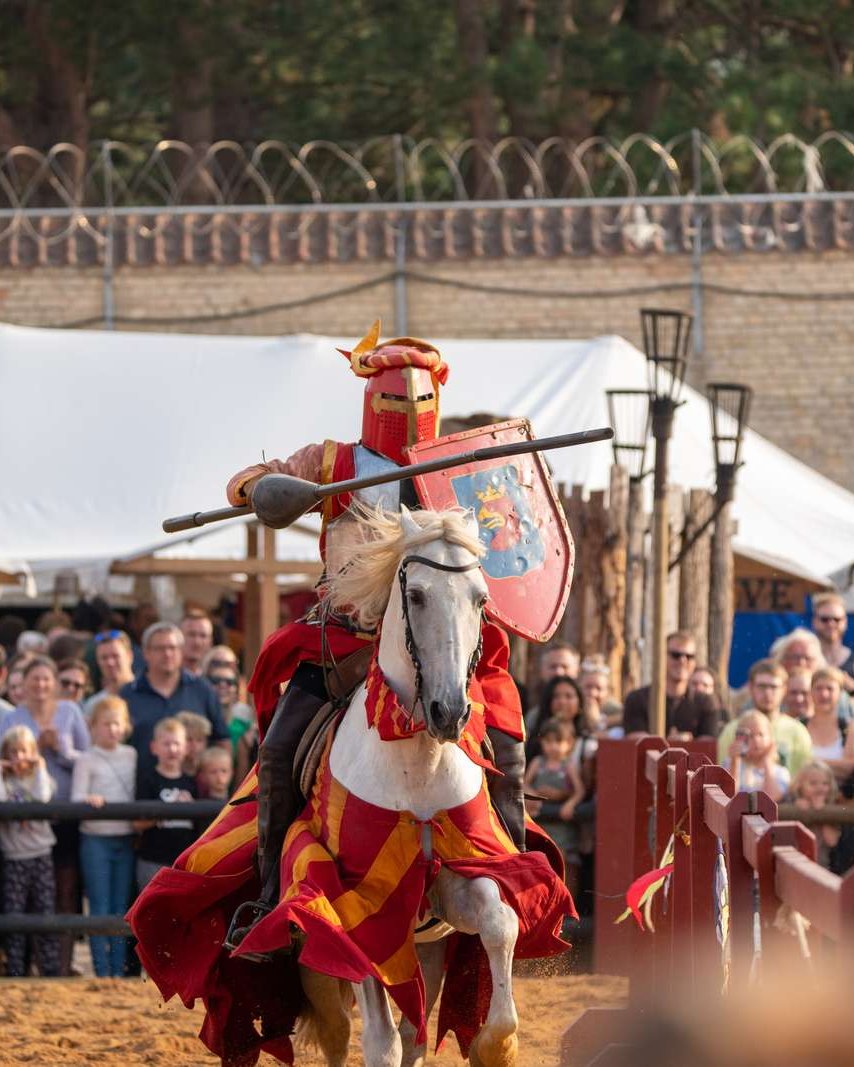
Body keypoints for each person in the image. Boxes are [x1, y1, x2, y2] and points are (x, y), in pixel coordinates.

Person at [222, 324, 528, 942]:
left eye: (418, 400)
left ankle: (513, 874)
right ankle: (267, 903)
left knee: (511, 747)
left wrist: (499, 516)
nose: (407, 413)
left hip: (443, 640)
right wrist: (263, 488)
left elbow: (512, 545)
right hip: (345, 642)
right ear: (370, 399)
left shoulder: (465, 467)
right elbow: (249, 480)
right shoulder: (333, 463)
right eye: (393, 400)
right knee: (279, 756)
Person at [1, 654, 90, 974]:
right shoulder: (11, 718)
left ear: (54, 683)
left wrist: (59, 751)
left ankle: (59, 966)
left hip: (63, 812)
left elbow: (87, 756)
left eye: (45, 679)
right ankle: (21, 966)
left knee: (63, 890)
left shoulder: (69, 711)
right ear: (21, 684)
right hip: (21, 821)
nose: (40, 684)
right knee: (20, 898)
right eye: (33, 678)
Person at [70, 695, 137, 978]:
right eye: (106, 723)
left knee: (121, 906)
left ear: (126, 726)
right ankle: (101, 969)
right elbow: (75, 797)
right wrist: (89, 799)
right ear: (93, 726)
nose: (112, 729)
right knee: (99, 905)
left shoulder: (131, 755)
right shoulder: (86, 759)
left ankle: (119, 970)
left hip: (124, 837)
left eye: (117, 723)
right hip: (95, 839)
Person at [120, 621, 229, 778]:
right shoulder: (129, 693)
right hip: (142, 793)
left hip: (195, 794)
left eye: (172, 648)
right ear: (146, 653)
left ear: (181, 651)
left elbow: (222, 741)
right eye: (160, 648)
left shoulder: (202, 689)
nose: (168, 654)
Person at [0, 725, 60, 977]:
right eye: (13, 752)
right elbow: (1, 801)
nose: (19, 758)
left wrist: (41, 767)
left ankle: (50, 971)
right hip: (14, 858)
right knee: (14, 918)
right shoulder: (6, 782)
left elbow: (43, 797)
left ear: (33, 753)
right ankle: (15, 971)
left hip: (41, 854)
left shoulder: (42, 779)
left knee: (45, 915)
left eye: (24, 751)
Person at [133, 718, 198, 891]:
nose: (172, 749)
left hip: (184, 863)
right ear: (154, 747)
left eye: (177, 743)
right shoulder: (147, 780)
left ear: (186, 747)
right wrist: (171, 810)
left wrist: (191, 809)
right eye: (166, 744)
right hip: (152, 860)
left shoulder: (192, 783)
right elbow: (137, 823)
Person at [717, 659, 812, 776]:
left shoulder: (797, 731)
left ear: (784, 690)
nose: (767, 693)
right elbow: (721, 776)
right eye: (762, 686)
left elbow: (803, 777)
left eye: (773, 687)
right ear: (751, 688)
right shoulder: (732, 730)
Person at [623, 631, 721, 738]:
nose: (682, 660)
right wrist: (670, 744)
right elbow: (635, 740)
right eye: (676, 655)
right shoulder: (637, 699)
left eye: (689, 656)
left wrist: (687, 743)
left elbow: (707, 745)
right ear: (661, 657)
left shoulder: (706, 703)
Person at [524, 719, 583, 893]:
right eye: (548, 741)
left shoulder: (568, 766)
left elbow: (579, 790)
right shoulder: (537, 763)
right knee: (540, 860)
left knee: (564, 861)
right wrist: (533, 797)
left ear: (569, 744)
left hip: (562, 825)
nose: (553, 747)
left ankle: (566, 902)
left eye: (558, 742)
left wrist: (570, 804)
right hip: (542, 823)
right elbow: (524, 783)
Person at [787, 759, 854, 872]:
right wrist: (797, 807)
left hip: (823, 867)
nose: (820, 787)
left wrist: (821, 814)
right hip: (796, 866)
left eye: (825, 783)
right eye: (813, 783)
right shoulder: (793, 804)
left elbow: (832, 841)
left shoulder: (833, 810)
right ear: (800, 786)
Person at [722, 710, 790, 801]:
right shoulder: (730, 764)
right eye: (750, 736)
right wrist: (735, 762)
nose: (756, 740)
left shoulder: (780, 772)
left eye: (761, 735)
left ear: (770, 737)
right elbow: (728, 796)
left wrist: (767, 761)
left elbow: (773, 797)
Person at [806, 667, 854, 781]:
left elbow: (850, 767)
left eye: (830, 689)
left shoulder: (849, 728)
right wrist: (837, 766)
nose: (824, 694)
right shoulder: (799, 726)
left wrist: (811, 762)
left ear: (840, 693)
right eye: (818, 688)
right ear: (810, 692)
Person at [525, 675, 584, 760]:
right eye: (556, 696)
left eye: (568, 696)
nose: (562, 701)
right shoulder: (536, 742)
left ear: (580, 703)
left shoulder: (587, 743)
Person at [204, 660, 254, 757]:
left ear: (236, 689)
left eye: (229, 682)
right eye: (216, 681)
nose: (223, 685)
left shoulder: (245, 727)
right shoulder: (200, 723)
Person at [83, 630, 136, 719]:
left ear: (129, 656)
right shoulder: (94, 705)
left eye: (115, 656)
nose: (110, 663)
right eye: (104, 658)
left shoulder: (147, 695)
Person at [811, 592, 854, 694]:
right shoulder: (804, 659)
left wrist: (852, 688)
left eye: (837, 619)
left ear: (845, 622)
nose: (831, 624)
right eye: (825, 619)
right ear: (814, 621)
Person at [175, 710, 211, 777]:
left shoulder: (210, 771)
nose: (195, 745)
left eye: (199, 740)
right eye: (189, 739)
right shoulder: (169, 771)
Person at [180, 611, 214, 677]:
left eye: (203, 636)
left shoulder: (214, 681)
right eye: (191, 634)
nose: (197, 642)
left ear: (210, 642)